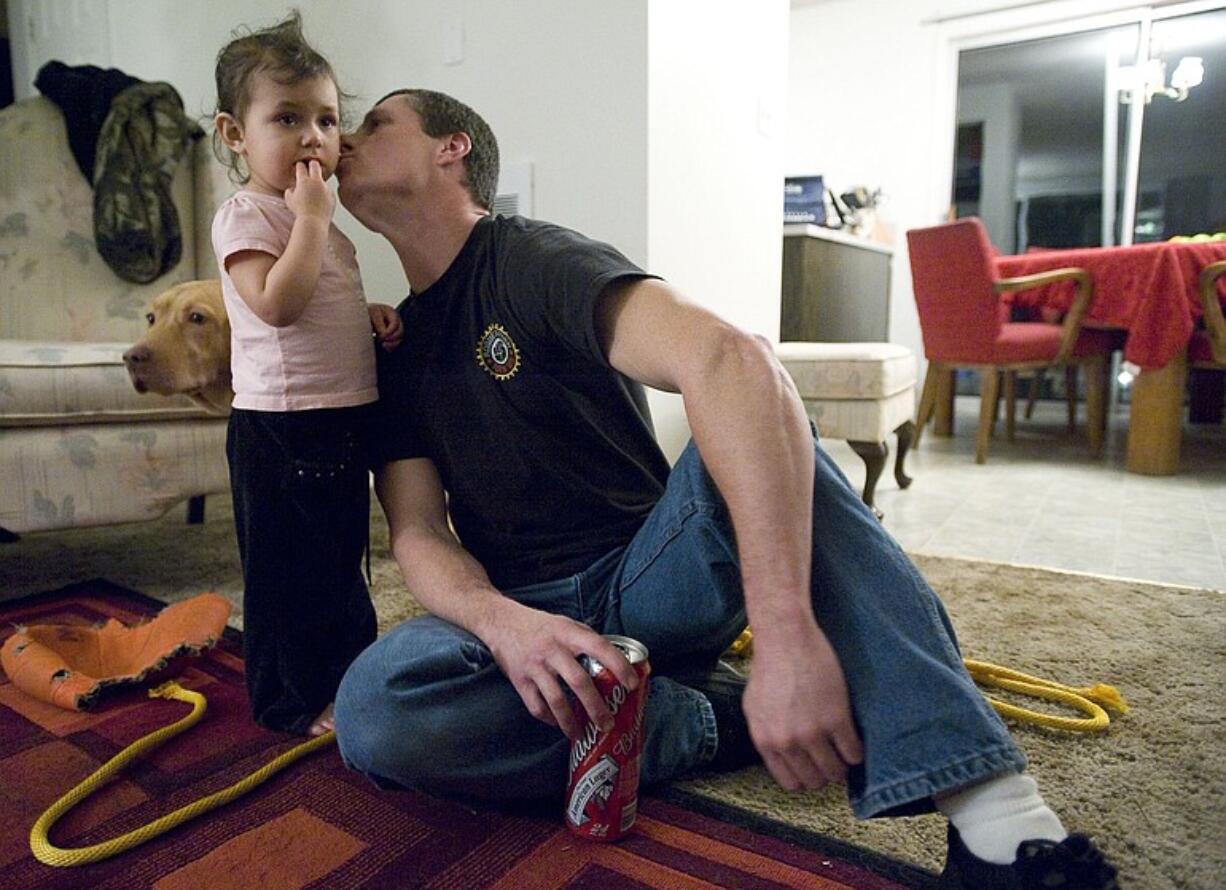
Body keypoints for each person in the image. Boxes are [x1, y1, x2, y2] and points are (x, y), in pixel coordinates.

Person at [331, 89, 1119, 889]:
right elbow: (420, 534)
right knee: (375, 711)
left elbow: (732, 360)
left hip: (653, 576)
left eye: (374, 125)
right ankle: (711, 719)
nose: (347, 142)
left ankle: (1002, 825)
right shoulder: (393, 349)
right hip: (534, 617)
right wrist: (506, 625)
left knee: (766, 428)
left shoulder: (527, 256)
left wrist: (785, 635)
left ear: (450, 149)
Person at [209, 13, 403, 736]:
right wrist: (313, 224)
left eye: (326, 119)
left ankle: (348, 683)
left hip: (336, 416)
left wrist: (368, 315)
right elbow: (277, 305)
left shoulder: (313, 217)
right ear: (235, 134)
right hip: (281, 429)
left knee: (339, 562)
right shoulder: (248, 215)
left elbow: (320, 304)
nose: (314, 136)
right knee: (286, 575)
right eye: (286, 118)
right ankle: (288, 702)